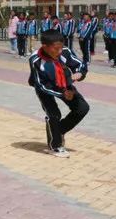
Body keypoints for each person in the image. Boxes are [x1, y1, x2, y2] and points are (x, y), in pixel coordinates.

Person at [28, 29, 89, 158]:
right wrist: (62, 94)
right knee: (54, 114)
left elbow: (79, 64)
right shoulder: (36, 60)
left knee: (82, 108)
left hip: (64, 84)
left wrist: (79, 73)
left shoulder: (64, 51)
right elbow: (41, 84)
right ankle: (55, 146)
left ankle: (58, 131)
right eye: (56, 49)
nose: (59, 51)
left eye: (61, 47)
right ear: (45, 47)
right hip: (45, 87)